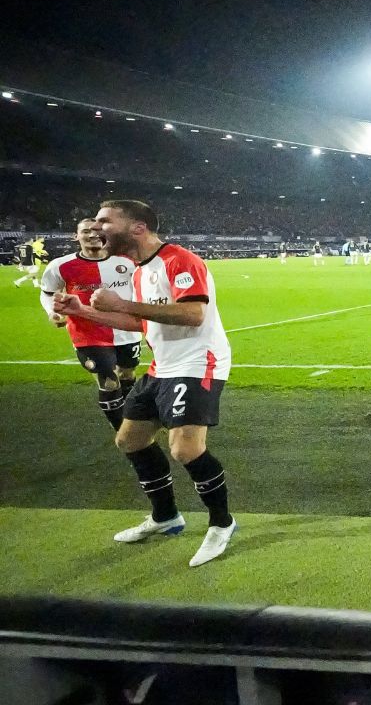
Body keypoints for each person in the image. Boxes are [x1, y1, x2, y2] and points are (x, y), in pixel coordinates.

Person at [54, 200, 236, 568]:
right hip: (162, 366)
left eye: (105, 221)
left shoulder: (178, 259)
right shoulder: (139, 271)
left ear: (137, 227)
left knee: (185, 449)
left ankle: (221, 522)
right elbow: (144, 324)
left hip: (198, 362)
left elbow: (193, 313)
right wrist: (83, 311)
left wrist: (121, 303)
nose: (96, 227)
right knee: (129, 440)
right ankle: (166, 516)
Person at [39, 218, 142, 430]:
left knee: (127, 375)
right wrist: (52, 312)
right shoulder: (61, 265)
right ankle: (124, 432)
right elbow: (47, 293)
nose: (93, 235)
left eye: (98, 231)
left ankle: (134, 421)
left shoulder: (128, 261)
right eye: (86, 231)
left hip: (127, 330)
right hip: (88, 334)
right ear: (76, 236)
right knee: (109, 381)